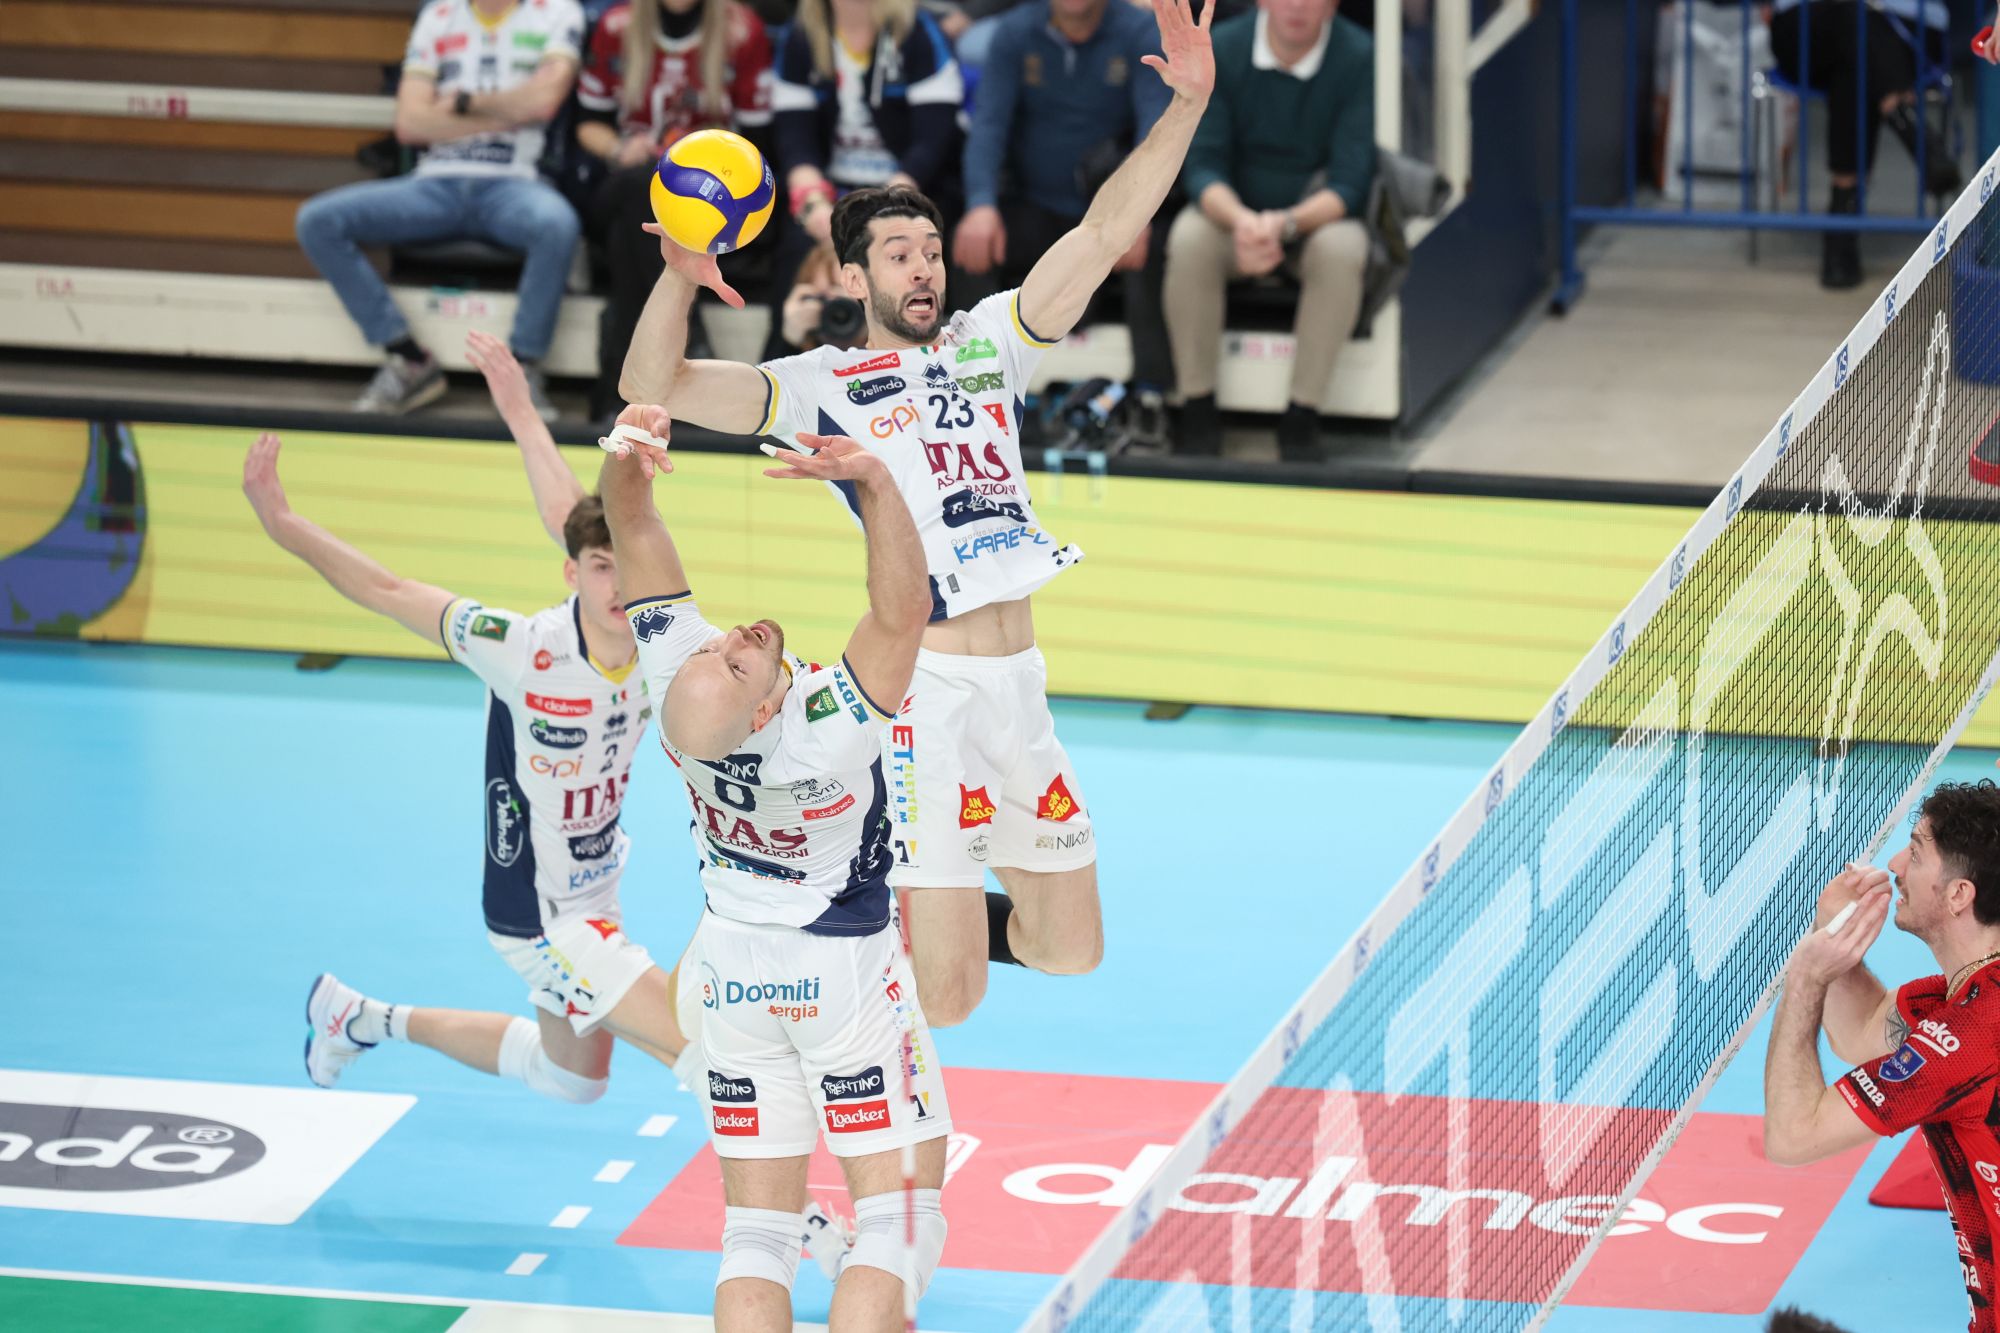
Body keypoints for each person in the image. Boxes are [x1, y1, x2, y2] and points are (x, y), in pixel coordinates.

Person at [617, 0, 1217, 1025]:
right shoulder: (818, 383)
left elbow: (1104, 230)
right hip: (927, 697)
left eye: (930, 249)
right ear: (854, 277)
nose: (924, 266)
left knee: (1070, 949)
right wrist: (678, 277)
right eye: (898, 254)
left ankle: (871, 898)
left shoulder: (993, 338)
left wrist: (1187, 105)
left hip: (1019, 682)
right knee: (948, 997)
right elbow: (652, 386)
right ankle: (850, 909)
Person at [599, 416, 950, 1322]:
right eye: (739, 663)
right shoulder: (825, 728)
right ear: (763, 716)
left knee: (756, 1233)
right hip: (844, 978)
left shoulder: (681, 699)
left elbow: (631, 525)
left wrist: (627, 453)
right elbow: (904, 612)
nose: (735, 638)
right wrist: (873, 482)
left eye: (718, 648)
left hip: (731, 977)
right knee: (898, 1223)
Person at [1763, 780, 2000, 1332]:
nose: (1894, 865)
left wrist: (1805, 979)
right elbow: (1865, 1028)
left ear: (1959, 895)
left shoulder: (1968, 1037)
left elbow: (1792, 1137)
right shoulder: (1962, 1004)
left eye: (1914, 853)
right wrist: (1833, 932)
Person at [294, 0, 586, 420]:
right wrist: (505, 114)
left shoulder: (558, 11)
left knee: (557, 223)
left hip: (515, 184)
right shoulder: (438, 14)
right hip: (434, 185)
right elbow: (410, 124)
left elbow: (542, 104)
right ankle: (408, 358)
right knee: (318, 221)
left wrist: (462, 103)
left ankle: (520, 371)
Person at [954, 0, 1176, 444]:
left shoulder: (1138, 32)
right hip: (1036, 203)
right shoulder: (1015, 32)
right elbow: (989, 127)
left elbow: (1157, 132)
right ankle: (970, 393)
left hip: (1110, 209)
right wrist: (980, 204)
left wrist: (1137, 212)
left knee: (1151, 245)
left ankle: (1152, 397)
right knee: (971, 243)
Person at [1165, 0, 1372, 462]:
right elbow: (1201, 165)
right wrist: (1243, 222)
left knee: (1343, 250)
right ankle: (1196, 408)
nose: (1297, 5)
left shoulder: (1359, 57)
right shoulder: (1224, 48)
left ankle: (1302, 416)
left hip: (1312, 222)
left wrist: (1286, 224)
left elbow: (1351, 182)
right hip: (1235, 218)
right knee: (1189, 238)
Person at [575, 0, 774, 420]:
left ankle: (617, 393)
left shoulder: (742, 30)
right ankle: (688, 339)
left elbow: (758, 140)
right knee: (640, 188)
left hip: (714, 202)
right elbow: (588, 122)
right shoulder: (617, 25)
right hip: (624, 180)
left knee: (631, 234)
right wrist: (619, 148)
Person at [763, 0, 963, 357]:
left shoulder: (917, 32)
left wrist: (883, 208)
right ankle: (784, 354)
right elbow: (795, 141)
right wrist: (813, 205)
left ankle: (926, 362)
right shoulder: (801, 36)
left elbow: (932, 142)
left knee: (913, 242)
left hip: (909, 190)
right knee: (797, 246)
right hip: (832, 190)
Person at [1767, 0, 1952, 290]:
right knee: (1852, 21)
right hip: (1810, 24)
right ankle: (1908, 124)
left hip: (1902, 26)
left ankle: (1841, 223)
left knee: (1854, 63)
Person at [777, 241, 871, 353]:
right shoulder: (802, 358)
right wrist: (791, 341)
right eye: (822, 297)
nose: (835, 308)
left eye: (844, 291)